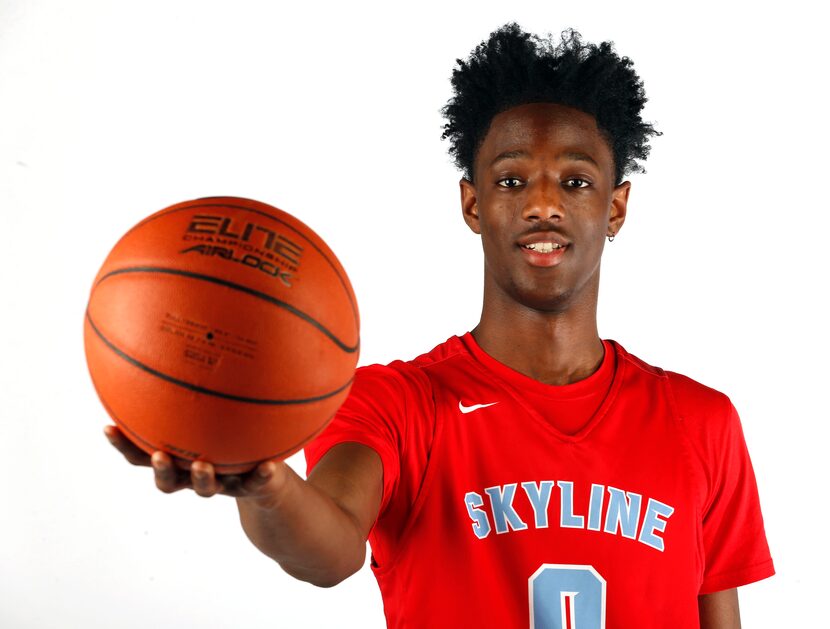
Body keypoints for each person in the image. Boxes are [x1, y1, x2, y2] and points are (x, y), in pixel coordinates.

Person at [106, 23, 774, 628]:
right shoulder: (396, 404)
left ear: (616, 206)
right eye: (512, 181)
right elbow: (331, 548)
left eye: (574, 181)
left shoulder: (702, 423)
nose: (543, 203)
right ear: (472, 202)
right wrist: (265, 484)